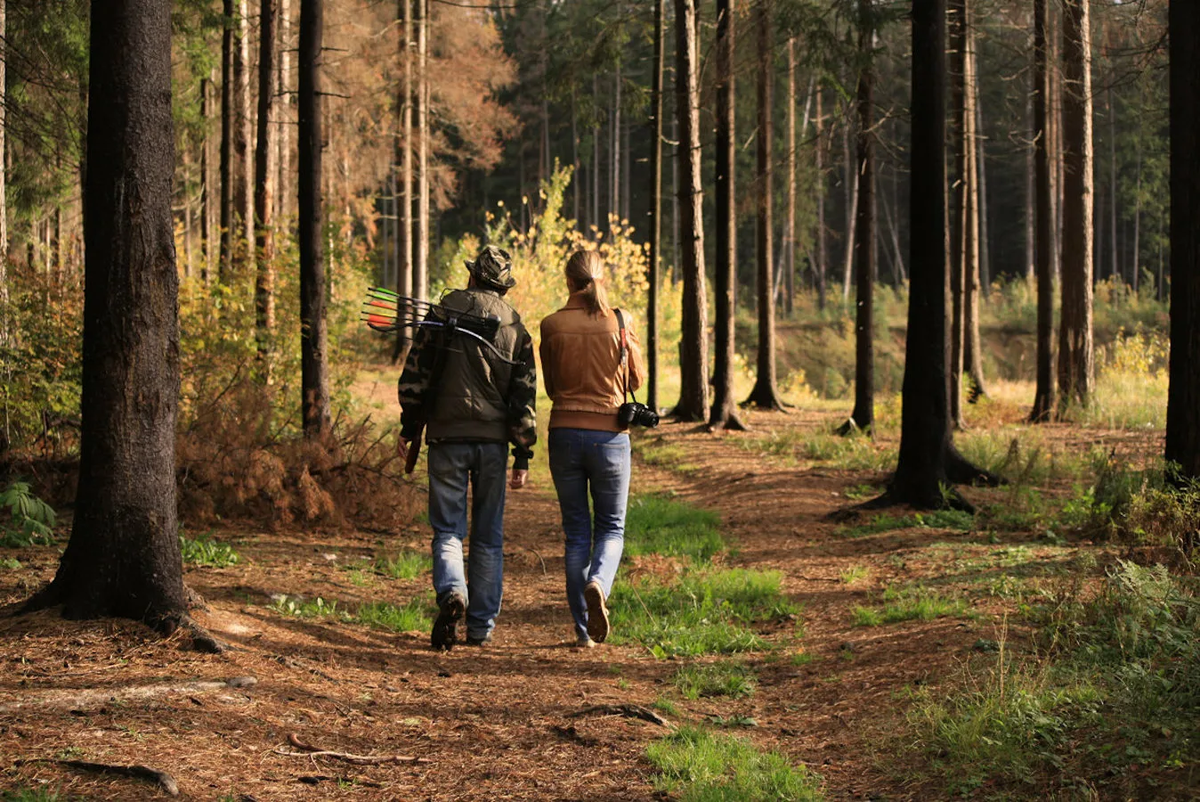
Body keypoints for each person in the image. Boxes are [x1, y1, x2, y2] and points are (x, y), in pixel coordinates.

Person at [397, 245, 537, 650]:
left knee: (447, 529)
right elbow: (523, 395)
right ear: (502, 286)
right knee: (489, 537)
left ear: (473, 276)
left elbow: (416, 375)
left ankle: (453, 590)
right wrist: (522, 452)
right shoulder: (515, 326)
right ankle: (480, 628)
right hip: (493, 445)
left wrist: (410, 424)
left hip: (446, 438)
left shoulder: (442, 312)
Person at [539, 250, 646, 648]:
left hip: (564, 431)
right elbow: (636, 376)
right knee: (611, 528)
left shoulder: (551, 325)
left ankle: (584, 632)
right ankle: (599, 581)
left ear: (568, 281)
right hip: (611, 436)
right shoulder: (620, 320)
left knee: (576, 533)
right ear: (602, 278)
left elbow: (550, 386)